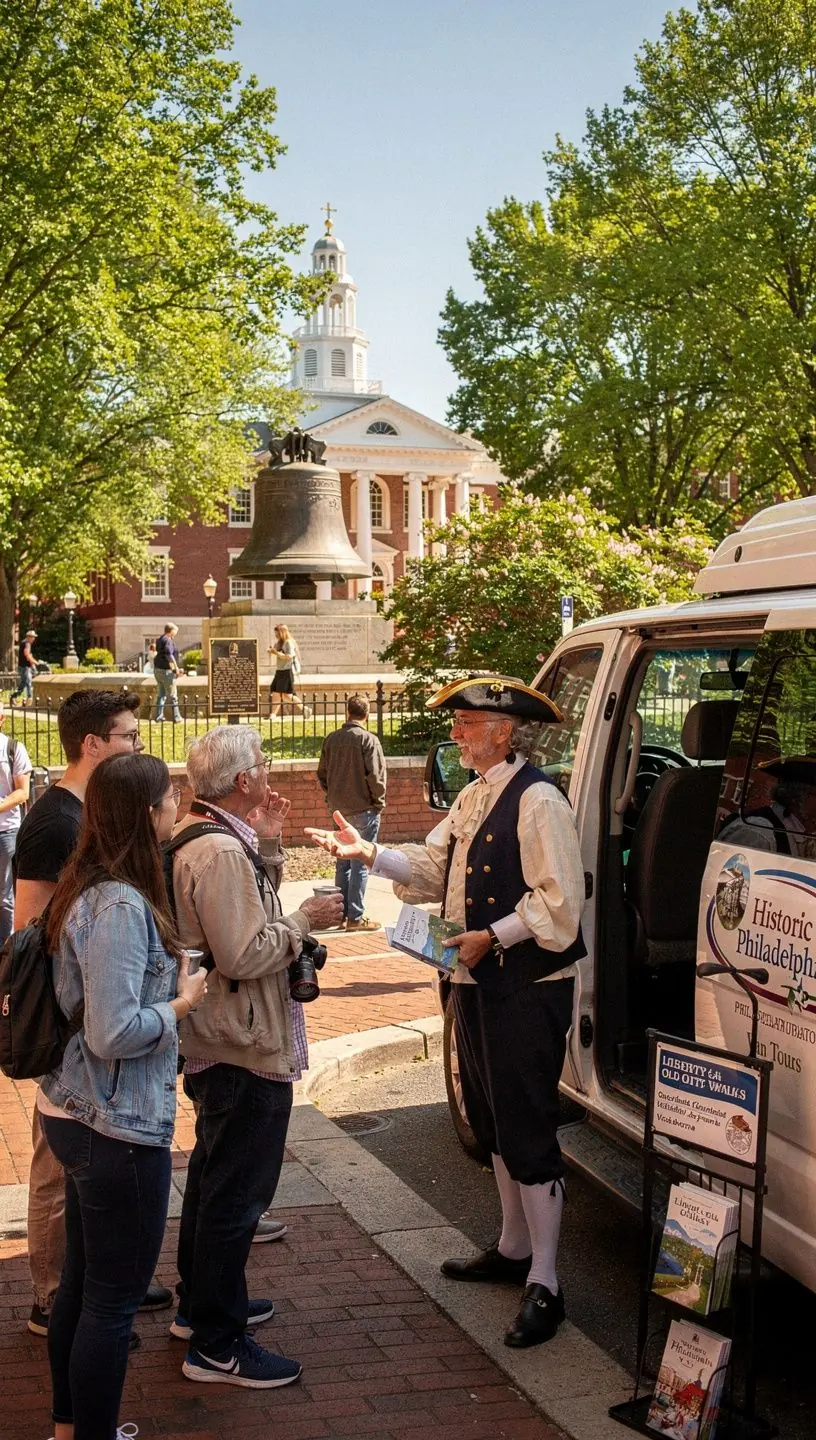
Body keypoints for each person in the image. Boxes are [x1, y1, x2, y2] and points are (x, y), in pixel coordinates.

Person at [307, 676, 586, 1349]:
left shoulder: (539, 801)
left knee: (527, 1124)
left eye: (465, 724)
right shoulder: (473, 793)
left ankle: (546, 1283)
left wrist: (498, 935)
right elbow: (434, 868)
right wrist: (370, 854)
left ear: (500, 730)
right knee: (492, 1120)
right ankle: (512, 1248)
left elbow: (561, 903)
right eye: (457, 724)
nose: (456, 734)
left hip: (526, 984)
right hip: (474, 981)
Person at [38, 753, 207, 1440]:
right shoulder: (118, 904)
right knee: (110, 1302)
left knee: (83, 1289)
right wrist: (181, 1003)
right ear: (147, 812)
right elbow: (113, 1031)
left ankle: (69, 1425)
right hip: (112, 1123)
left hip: (81, 1112)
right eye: (172, 798)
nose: (178, 809)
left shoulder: (96, 886)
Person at [169, 725, 343, 1387]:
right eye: (263, 766)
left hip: (226, 1036)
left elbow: (241, 915)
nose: (270, 773)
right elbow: (246, 951)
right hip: (239, 1043)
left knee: (216, 1184)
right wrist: (302, 921)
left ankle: (202, 1309)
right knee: (236, 1195)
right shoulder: (215, 851)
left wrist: (267, 842)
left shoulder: (215, 838)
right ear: (242, 781)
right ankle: (217, 1341)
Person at [13, 689, 173, 1337]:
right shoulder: (54, 821)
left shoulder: (94, 811)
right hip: (66, 1023)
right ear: (93, 744)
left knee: (82, 1171)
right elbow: (29, 926)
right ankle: (51, 1295)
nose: (138, 744)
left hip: (93, 1015)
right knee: (55, 1165)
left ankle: (94, 1279)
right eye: (129, 736)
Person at [317, 694, 386, 930]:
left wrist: (332, 796)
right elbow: (376, 777)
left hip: (339, 810)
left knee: (342, 862)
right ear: (366, 715)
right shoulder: (368, 740)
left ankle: (340, 915)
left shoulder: (332, 739)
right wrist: (379, 802)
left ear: (348, 711)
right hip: (364, 807)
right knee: (360, 863)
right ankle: (355, 917)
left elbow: (322, 774)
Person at [0, 699, 32, 942]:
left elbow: (23, 792)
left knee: (3, 896)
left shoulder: (12, 748)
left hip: (5, 831)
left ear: (2, 719)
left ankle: (5, 951)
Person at [268, 623, 310, 717]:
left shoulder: (288, 642)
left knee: (287, 695)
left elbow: (289, 656)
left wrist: (277, 653)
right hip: (279, 670)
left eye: (278, 634)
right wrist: (272, 651)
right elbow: (278, 653)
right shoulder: (279, 642)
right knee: (275, 693)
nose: (276, 636)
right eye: (276, 634)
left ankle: (304, 709)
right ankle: (273, 714)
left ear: (283, 632)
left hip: (286, 671)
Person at [154, 623, 182, 723]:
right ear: (171, 631)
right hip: (166, 671)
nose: (176, 633)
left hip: (157, 670)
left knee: (161, 695)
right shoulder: (168, 640)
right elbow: (169, 656)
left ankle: (159, 716)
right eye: (175, 631)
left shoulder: (160, 639)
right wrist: (176, 669)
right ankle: (176, 717)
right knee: (173, 695)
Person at [11, 628, 38, 706]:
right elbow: (27, 655)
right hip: (24, 667)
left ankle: (13, 697)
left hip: (23, 667)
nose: (34, 639)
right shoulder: (27, 643)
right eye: (33, 637)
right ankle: (30, 699)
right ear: (29, 637)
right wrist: (35, 662)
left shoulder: (24, 643)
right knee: (28, 682)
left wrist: (32, 662)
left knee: (23, 684)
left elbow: (28, 654)